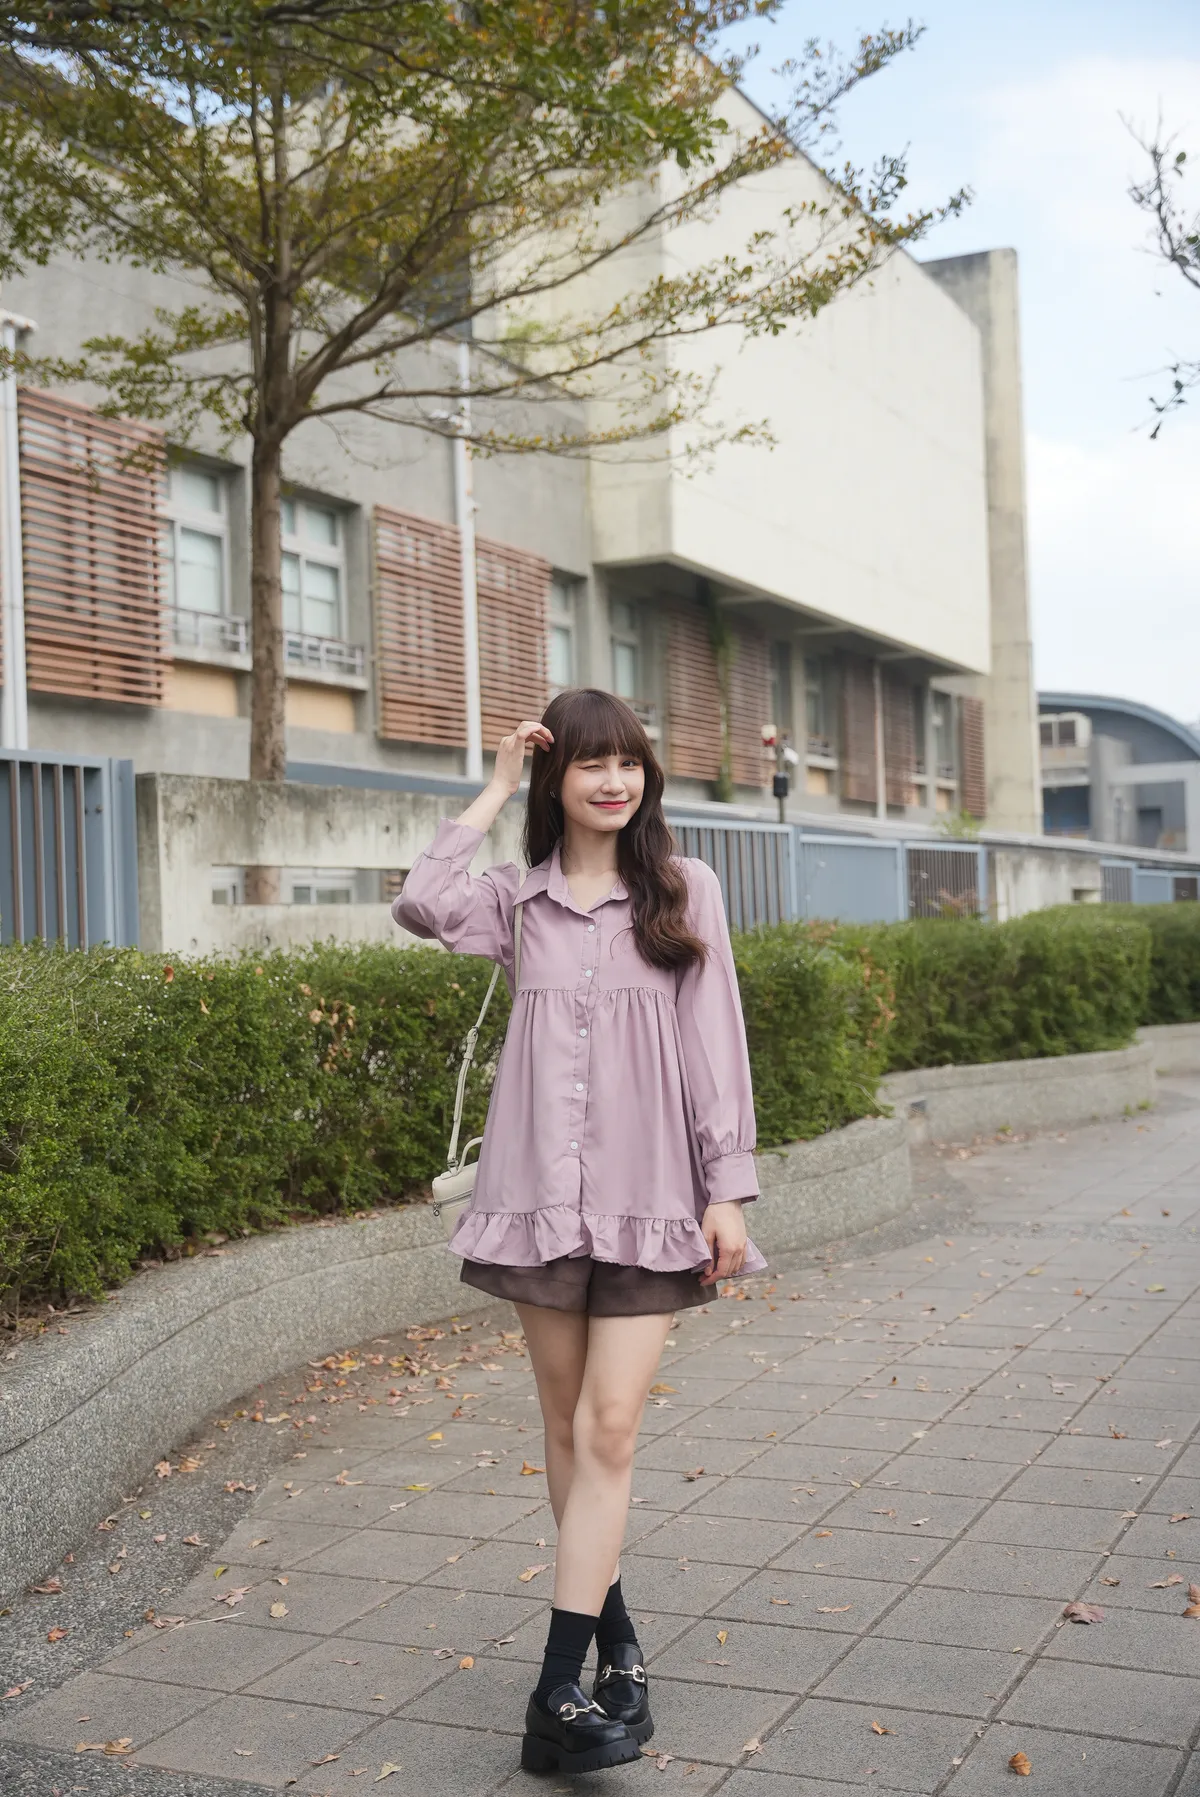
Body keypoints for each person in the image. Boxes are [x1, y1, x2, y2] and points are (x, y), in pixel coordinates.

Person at [393, 687, 765, 1777]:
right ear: (556, 781)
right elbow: (420, 901)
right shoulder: (516, 901)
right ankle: (617, 1648)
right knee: (565, 1427)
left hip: (654, 1202)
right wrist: (495, 785)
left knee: (608, 1428)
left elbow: (716, 1043)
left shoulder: (684, 889)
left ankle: (554, 1687)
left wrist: (728, 1187)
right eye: (591, 763)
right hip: (540, 1200)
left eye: (630, 762)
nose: (614, 781)